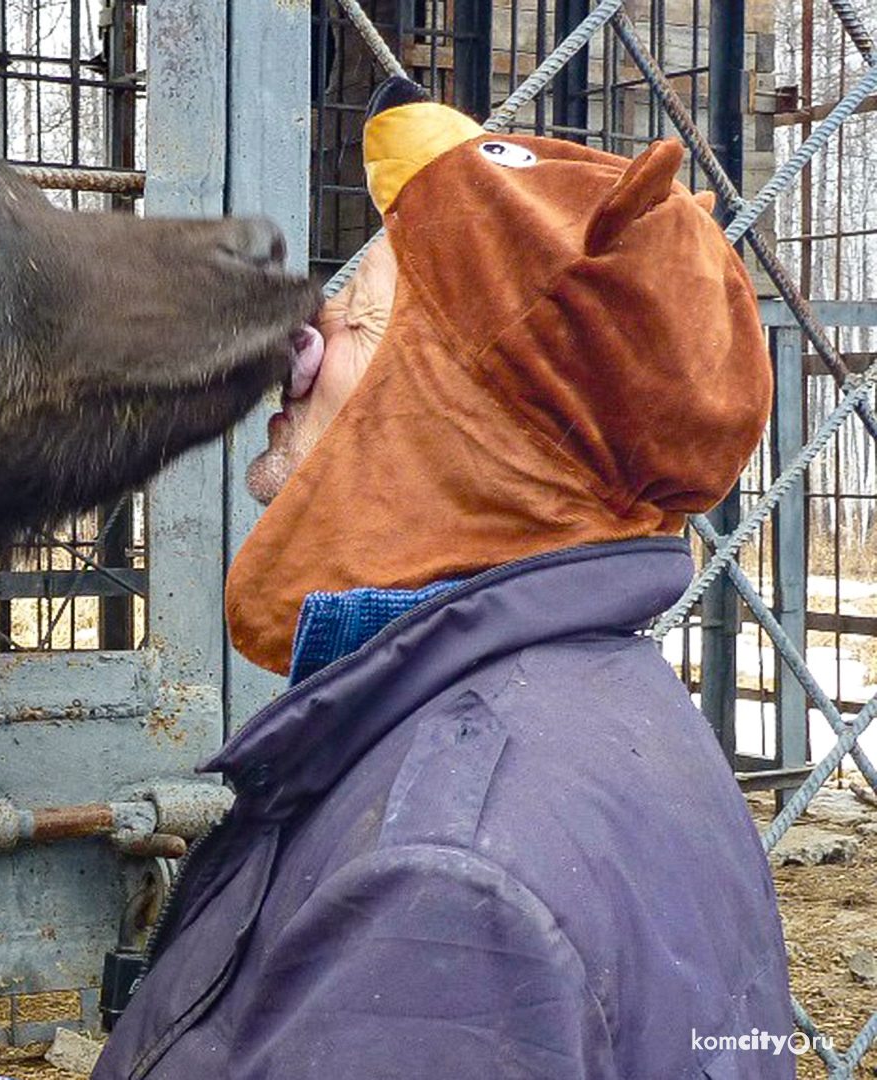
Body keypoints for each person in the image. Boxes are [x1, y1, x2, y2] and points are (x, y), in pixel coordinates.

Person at [92, 78, 796, 1080]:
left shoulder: (444, 887)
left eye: (353, 319)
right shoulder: (618, 713)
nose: (294, 355)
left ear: (461, 418)